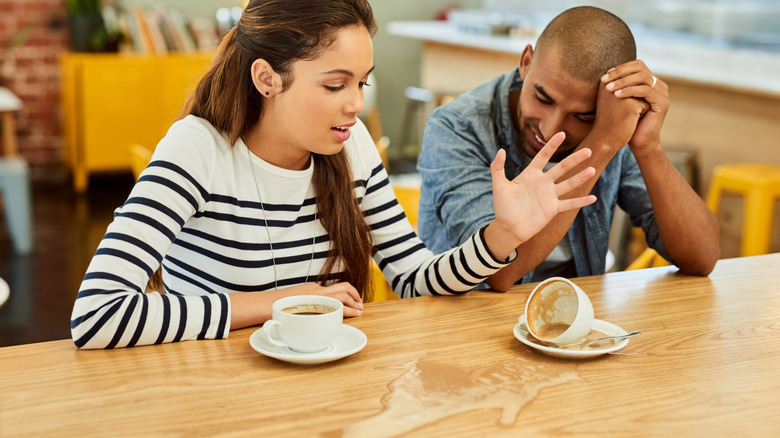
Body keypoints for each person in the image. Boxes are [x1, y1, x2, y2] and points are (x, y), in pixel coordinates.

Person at [70, 0, 598, 349]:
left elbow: (414, 279)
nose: (355, 107)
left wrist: (503, 235)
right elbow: (97, 316)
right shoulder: (199, 148)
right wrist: (269, 304)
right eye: (334, 85)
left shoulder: (350, 148)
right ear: (266, 78)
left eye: (362, 84)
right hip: (217, 399)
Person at [417, 6, 719, 292]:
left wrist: (648, 147)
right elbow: (497, 273)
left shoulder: (611, 124)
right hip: (460, 322)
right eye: (543, 99)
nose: (550, 130)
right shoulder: (458, 126)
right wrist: (599, 145)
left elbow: (703, 258)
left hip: (571, 327)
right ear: (525, 62)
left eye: (582, 116)